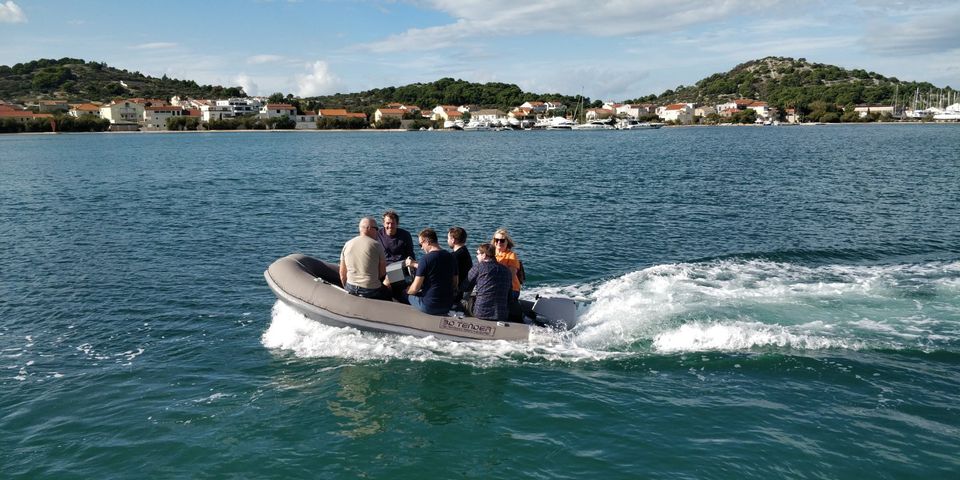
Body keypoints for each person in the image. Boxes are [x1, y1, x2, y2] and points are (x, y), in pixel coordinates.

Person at [406, 228, 458, 315]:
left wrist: (407, 291)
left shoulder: (425, 259)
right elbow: (455, 283)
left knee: (406, 295)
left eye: (421, 244)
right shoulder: (451, 257)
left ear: (427, 242)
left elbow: (415, 289)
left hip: (429, 306)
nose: (421, 248)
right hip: (447, 305)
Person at [339, 217, 391, 300]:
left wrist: (347, 287)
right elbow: (382, 273)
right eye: (376, 229)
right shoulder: (377, 245)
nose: (378, 232)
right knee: (389, 291)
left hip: (350, 287)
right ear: (369, 228)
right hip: (370, 290)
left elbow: (342, 273)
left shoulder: (347, 244)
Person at [461, 243, 512, 322]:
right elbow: (509, 294)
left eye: (478, 254)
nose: (476, 256)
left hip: (481, 313)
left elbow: (465, 287)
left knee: (463, 300)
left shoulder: (479, 266)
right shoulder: (507, 270)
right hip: (501, 314)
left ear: (484, 255)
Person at [378, 209, 415, 302]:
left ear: (397, 224)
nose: (390, 226)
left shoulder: (405, 235)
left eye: (393, 223)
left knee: (388, 281)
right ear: (383, 223)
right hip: (383, 267)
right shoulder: (378, 235)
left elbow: (410, 255)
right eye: (388, 223)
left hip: (401, 267)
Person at [492, 228, 523, 322]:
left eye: (502, 240)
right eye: (496, 240)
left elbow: (511, 276)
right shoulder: (490, 254)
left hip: (511, 289)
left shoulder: (511, 256)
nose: (499, 242)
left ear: (507, 242)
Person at [447, 227, 472, 306]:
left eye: (448, 238)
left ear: (453, 240)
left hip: (457, 293)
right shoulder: (465, 252)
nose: (447, 240)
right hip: (464, 289)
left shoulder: (455, 256)